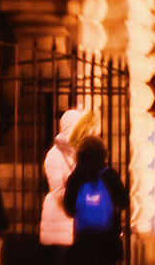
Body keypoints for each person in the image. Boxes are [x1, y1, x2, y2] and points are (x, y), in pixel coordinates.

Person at [62, 135, 128, 265]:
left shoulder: (76, 179)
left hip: (83, 244)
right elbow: (124, 202)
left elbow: (69, 210)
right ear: (103, 155)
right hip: (108, 243)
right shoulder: (110, 176)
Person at [41, 109, 97, 265]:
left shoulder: (79, 154)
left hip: (79, 224)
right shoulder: (55, 155)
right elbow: (58, 191)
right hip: (60, 223)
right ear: (71, 128)